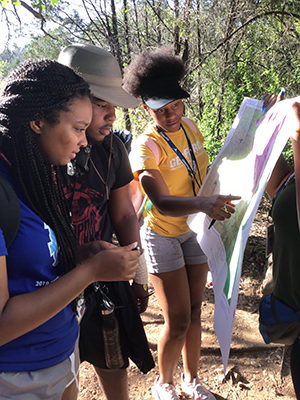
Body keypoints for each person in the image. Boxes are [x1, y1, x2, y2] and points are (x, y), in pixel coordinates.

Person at [0, 59, 140, 400]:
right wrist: (90, 271)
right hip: (16, 377)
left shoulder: (36, 174)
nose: (83, 140)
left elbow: (32, 260)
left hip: (59, 355)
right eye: (78, 128)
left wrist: (81, 254)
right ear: (37, 122)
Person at [124, 47, 240, 400]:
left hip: (195, 231)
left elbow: (209, 171)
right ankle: (165, 383)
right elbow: (160, 200)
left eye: (176, 104)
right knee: (175, 321)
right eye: (161, 109)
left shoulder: (190, 128)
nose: (171, 114)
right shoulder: (146, 146)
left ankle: (191, 379)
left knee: (193, 312)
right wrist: (205, 204)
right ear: (146, 109)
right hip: (163, 235)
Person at [57, 43, 154, 400]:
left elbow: (124, 212)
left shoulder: (112, 149)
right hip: (54, 282)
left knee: (113, 365)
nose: (111, 115)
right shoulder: (42, 153)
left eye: (112, 104)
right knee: (64, 372)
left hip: (104, 277)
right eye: (101, 104)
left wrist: (137, 270)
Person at [264, 92, 300, 399]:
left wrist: (296, 136)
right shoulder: (292, 179)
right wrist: (268, 124)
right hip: (295, 318)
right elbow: (276, 184)